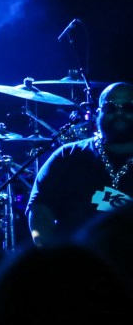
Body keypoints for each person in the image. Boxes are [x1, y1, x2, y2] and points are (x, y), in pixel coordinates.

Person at [26, 81, 133, 246]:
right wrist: (48, 255)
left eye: (128, 107)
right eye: (110, 108)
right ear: (98, 113)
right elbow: (41, 210)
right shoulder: (67, 156)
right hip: (76, 263)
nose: (119, 113)